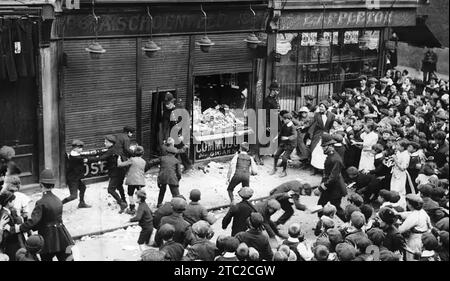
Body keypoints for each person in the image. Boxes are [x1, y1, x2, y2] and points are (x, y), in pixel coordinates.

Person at [15, 169, 74, 261]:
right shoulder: (58, 200)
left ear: (41, 185)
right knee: (67, 258)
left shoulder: (41, 202)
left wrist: (20, 228)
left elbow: (34, 221)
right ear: (53, 185)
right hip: (62, 236)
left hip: (47, 239)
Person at [91, 135, 127, 213]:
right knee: (119, 186)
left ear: (111, 143)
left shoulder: (111, 151)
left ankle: (122, 203)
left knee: (110, 189)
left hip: (116, 173)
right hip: (121, 171)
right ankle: (124, 201)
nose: (104, 143)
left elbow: (101, 158)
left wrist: (89, 159)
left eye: (106, 142)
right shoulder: (116, 148)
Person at [316, 134, 347, 221]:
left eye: (324, 146)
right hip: (329, 187)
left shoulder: (336, 159)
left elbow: (333, 178)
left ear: (330, 146)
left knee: (337, 209)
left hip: (335, 188)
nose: (322, 148)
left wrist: (321, 188)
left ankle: (351, 223)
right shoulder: (331, 155)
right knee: (320, 204)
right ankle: (320, 224)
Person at [394, 194, 432, 261]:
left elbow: (401, 230)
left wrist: (396, 223)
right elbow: (409, 214)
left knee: (411, 257)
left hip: (415, 240)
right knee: (417, 257)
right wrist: (398, 214)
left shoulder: (414, 216)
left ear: (410, 205)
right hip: (423, 237)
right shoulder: (422, 211)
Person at [117, 146, 151, 215]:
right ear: (143, 153)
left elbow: (120, 165)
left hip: (132, 180)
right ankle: (143, 207)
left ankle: (132, 208)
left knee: (130, 194)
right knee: (140, 194)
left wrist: (119, 159)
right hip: (140, 181)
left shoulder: (132, 160)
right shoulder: (144, 161)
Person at [62, 139, 91, 208]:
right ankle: (59, 204)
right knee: (73, 196)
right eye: (80, 148)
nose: (81, 149)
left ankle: (81, 203)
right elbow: (84, 158)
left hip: (75, 177)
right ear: (75, 148)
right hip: (72, 179)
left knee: (83, 187)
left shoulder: (73, 154)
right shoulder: (76, 157)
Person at [308, 101, 336, 174]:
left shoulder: (331, 115)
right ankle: (314, 168)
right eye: (320, 107)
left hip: (326, 135)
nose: (320, 108)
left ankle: (324, 169)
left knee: (324, 152)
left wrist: (329, 133)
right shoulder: (316, 115)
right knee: (314, 151)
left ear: (326, 108)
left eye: (322, 107)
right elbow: (312, 124)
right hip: (317, 134)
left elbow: (331, 125)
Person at [270, 112, 297, 178]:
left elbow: (295, 135)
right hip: (283, 143)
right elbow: (281, 133)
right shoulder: (284, 125)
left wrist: (287, 138)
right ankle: (274, 168)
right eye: (283, 119)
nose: (283, 120)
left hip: (290, 144)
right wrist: (275, 138)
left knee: (284, 158)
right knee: (276, 155)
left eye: (285, 119)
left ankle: (284, 171)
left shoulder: (292, 126)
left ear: (289, 119)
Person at [0, 191, 24, 261]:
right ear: (9, 202)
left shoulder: (8, 211)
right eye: (13, 201)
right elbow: (6, 232)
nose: (14, 203)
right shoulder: (5, 215)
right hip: (11, 243)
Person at [390, 140, 411, 209]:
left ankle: (400, 207)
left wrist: (395, 160)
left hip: (400, 174)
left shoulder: (406, 155)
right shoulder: (398, 152)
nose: (397, 146)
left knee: (399, 191)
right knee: (393, 189)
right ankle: (392, 204)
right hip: (395, 173)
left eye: (398, 145)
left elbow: (403, 168)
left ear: (403, 147)